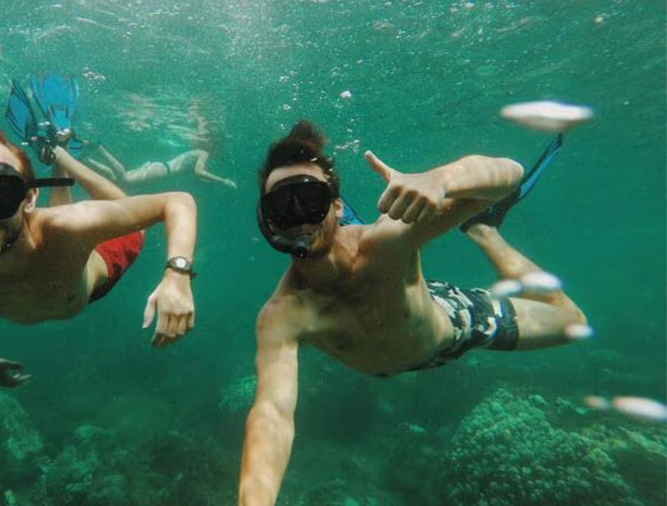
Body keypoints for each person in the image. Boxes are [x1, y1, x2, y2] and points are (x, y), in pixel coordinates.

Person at [238, 121, 586, 505]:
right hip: (395, 348)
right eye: (283, 206)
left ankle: (483, 232)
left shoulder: (387, 242)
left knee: (571, 323)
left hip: (452, 323)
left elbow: (509, 175)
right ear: (268, 221)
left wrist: (441, 180)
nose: (301, 217)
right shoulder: (281, 315)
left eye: (312, 199)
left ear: (337, 206)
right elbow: (272, 414)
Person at [0, 79, 199, 388]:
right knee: (66, 226)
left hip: (98, 265)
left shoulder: (69, 226)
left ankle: (63, 157)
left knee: (130, 221)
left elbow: (177, 201)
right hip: (63, 251)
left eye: (0, 193)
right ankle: (58, 154)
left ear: (29, 197)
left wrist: (177, 276)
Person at [84, 144, 237, 189]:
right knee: (125, 181)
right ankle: (100, 149)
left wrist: (213, 181)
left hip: (160, 168)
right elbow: (199, 172)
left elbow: (199, 175)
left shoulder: (199, 153)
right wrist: (222, 180)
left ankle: (85, 160)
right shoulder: (203, 153)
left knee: (116, 181)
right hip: (163, 170)